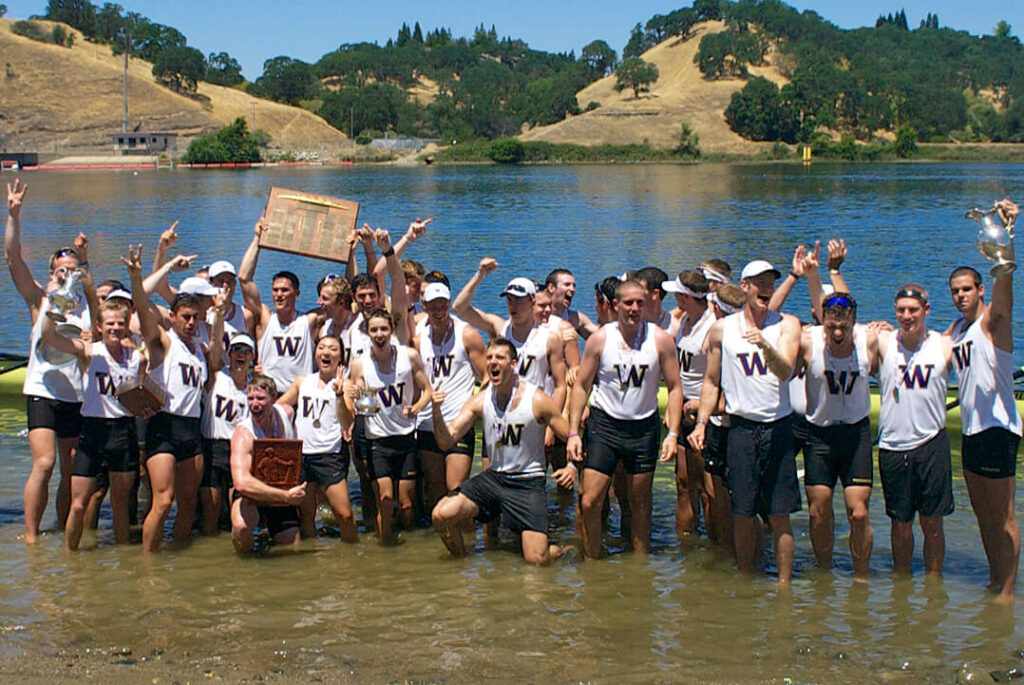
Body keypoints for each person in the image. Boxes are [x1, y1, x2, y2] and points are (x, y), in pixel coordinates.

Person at [688, 260, 802, 585]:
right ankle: (745, 576)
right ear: (745, 287)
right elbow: (711, 382)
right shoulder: (723, 330)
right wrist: (701, 424)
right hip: (740, 429)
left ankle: (784, 587)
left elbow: (786, 371)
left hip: (778, 427)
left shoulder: (787, 325)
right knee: (742, 512)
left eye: (770, 283)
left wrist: (765, 345)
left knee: (779, 515)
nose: (766, 288)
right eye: (759, 282)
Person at [430, 338, 577, 564]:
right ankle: (461, 563)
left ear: (514, 364)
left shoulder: (536, 399)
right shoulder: (481, 400)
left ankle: (561, 550)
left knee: (537, 560)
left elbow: (571, 437)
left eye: (499, 358)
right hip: (494, 479)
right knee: (441, 515)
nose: (492, 362)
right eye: (489, 358)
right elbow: (445, 440)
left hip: (527, 482)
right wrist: (436, 412)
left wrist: (571, 466)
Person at [568, 279, 683, 559]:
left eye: (639, 303)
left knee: (639, 502)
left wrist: (673, 434)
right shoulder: (600, 338)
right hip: (605, 426)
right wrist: (572, 433)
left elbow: (675, 386)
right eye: (628, 303)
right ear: (616, 305)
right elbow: (582, 385)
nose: (634, 309)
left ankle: (639, 564)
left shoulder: (660, 339)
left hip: (643, 429)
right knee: (591, 499)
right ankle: (591, 561)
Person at [6, 178, 90, 543]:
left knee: (70, 469)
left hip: (75, 395)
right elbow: (12, 257)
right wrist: (14, 214)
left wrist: (83, 259)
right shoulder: (38, 298)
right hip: (42, 389)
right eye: (60, 268)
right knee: (45, 464)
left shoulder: (87, 304)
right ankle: (31, 537)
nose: (65, 273)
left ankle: (61, 529)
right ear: (52, 271)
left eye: (72, 269)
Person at [947, 206, 1021, 602]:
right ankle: (995, 577)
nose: (960, 295)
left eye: (967, 289)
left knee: (1004, 515)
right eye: (955, 290)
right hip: (972, 430)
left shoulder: (994, 322)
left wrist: (1006, 241)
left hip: (997, 428)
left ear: (979, 289)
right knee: (982, 514)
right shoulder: (957, 329)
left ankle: (1007, 593)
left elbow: (1005, 283)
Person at [125, 244, 219, 553]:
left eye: (195, 317)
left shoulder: (200, 352)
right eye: (185, 317)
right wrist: (142, 276)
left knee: (188, 503)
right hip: (164, 426)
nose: (191, 323)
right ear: (174, 317)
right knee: (163, 501)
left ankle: (179, 561)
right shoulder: (163, 343)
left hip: (191, 430)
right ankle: (148, 566)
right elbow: (140, 305)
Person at [40, 298, 143, 550]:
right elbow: (50, 337)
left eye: (120, 323)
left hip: (123, 431)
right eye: (110, 324)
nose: (115, 328)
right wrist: (55, 308)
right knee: (78, 504)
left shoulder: (137, 357)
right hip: (92, 432)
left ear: (127, 325)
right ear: (99, 326)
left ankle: (123, 561)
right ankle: (69, 557)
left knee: (120, 505)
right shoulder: (88, 351)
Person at [799, 292, 879, 581]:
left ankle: (861, 578)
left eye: (843, 328)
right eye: (831, 327)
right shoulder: (808, 340)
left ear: (853, 323)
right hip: (819, 435)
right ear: (822, 321)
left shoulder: (868, 339)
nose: (837, 333)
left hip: (855, 434)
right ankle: (824, 571)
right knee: (818, 512)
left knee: (858, 513)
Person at [876, 284, 954, 577]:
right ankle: (902, 577)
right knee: (900, 523)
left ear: (926, 311)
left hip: (931, 443)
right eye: (901, 310)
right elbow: (839, 319)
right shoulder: (883, 341)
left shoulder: (944, 344)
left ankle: (934, 582)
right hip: (893, 446)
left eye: (913, 310)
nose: (907, 316)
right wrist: (832, 272)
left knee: (933, 524)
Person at [344, 309, 432, 544]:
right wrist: (352, 393)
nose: (379, 334)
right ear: (367, 333)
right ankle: (385, 546)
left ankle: (407, 546)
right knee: (384, 499)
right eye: (374, 330)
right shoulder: (359, 364)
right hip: (378, 441)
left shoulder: (409, 356)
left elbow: (427, 390)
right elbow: (352, 398)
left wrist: (416, 408)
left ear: (392, 330)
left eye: (384, 329)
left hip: (405, 438)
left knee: (406, 504)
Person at [452, 259, 566, 416]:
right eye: (509, 300)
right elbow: (459, 307)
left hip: (531, 412)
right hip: (499, 411)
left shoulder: (549, 338)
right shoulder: (500, 328)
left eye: (518, 300)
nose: (512, 305)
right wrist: (480, 274)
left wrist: (552, 425)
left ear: (532, 301)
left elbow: (561, 386)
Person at [278, 335, 358, 542]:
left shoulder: (346, 385)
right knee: (306, 516)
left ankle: (353, 558)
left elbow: (347, 421)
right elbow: (278, 408)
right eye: (321, 347)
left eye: (332, 349)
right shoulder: (302, 382)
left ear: (341, 356)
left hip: (329, 455)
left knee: (345, 515)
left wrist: (340, 395)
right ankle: (312, 561)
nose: (326, 352)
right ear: (315, 353)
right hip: (302, 456)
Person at [414, 282, 486, 510]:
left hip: (458, 424)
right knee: (435, 491)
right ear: (424, 305)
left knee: (455, 490)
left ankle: (467, 540)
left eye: (443, 305)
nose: (438, 311)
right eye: (433, 305)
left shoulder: (467, 334)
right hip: (427, 424)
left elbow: (486, 377)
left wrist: (471, 411)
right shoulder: (418, 338)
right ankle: (440, 543)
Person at [238, 218, 322, 394]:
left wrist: (350, 253)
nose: (279, 294)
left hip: (300, 395)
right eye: (275, 290)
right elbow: (244, 279)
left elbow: (344, 301)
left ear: (296, 293)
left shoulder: (309, 321)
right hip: (268, 394)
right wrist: (257, 240)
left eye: (285, 290)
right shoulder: (266, 319)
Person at [663, 269, 714, 539]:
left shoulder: (712, 326)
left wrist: (699, 403)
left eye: (677, 294)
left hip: (703, 413)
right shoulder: (684, 320)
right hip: (682, 412)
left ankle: (716, 541)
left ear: (686, 297)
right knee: (684, 481)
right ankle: (686, 538)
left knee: (708, 487)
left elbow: (718, 375)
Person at [229, 374, 306, 553]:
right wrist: (285, 497)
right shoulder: (243, 434)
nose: (254, 404)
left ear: (273, 399)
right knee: (241, 528)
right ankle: (245, 567)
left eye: (261, 398)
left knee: (292, 549)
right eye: (250, 398)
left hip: (281, 489)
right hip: (252, 494)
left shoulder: (287, 412)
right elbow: (241, 483)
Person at [198, 331, 255, 537]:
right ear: (229, 354)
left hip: (238, 453)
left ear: (252, 357)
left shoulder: (254, 388)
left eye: (246, 351)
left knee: (237, 511)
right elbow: (213, 349)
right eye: (236, 350)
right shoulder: (216, 376)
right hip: (213, 447)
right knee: (211, 510)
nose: (241, 355)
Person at [545, 268, 598, 339]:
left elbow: (600, 334)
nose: (572, 289)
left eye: (574, 286)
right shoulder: (536, 316)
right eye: (567, 285)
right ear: (551, 287)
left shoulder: (574, 318)